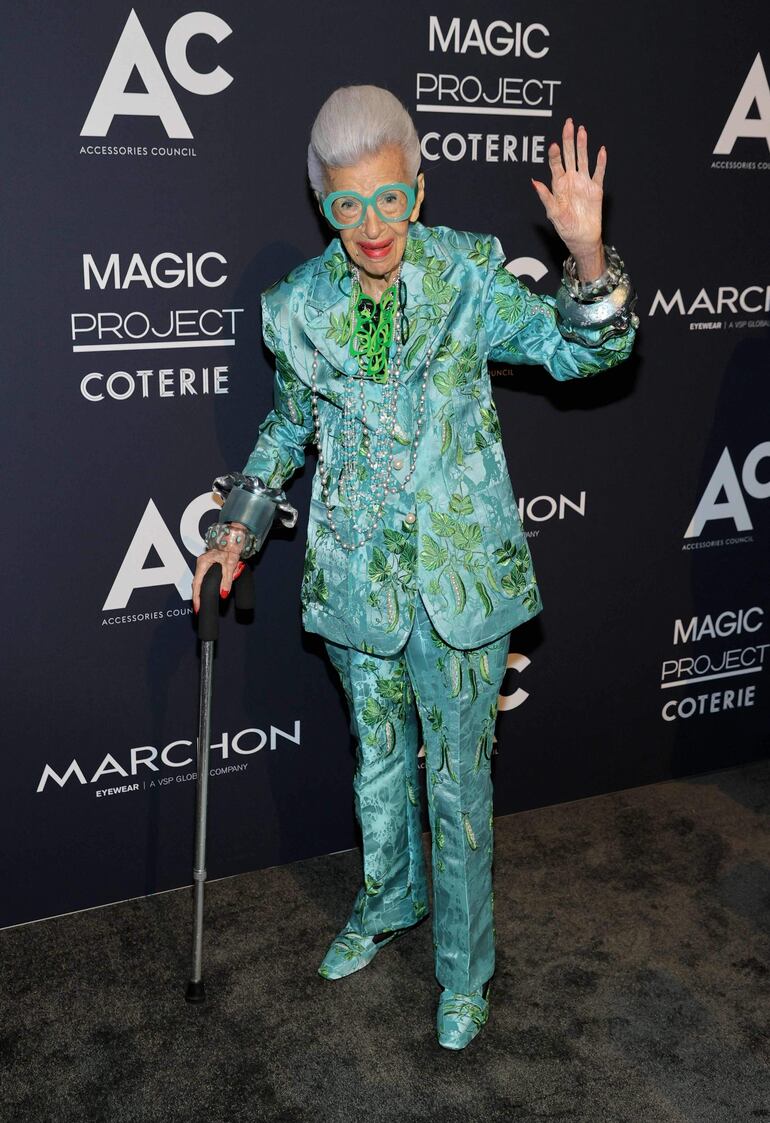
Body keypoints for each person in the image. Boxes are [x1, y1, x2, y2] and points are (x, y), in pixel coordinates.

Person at [192, 85, 638, 1050]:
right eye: (349, 206)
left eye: (388, 200)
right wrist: (236, 528)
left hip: (462, 583)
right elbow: (285, 431)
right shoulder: (297, 309)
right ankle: (388, 899)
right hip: (357, 585)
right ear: (325, 209)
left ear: (419, 191)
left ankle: (464, 970)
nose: (372, 226)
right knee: (380, 769)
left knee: (460, 788)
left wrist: (588, 257)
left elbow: (582, 353)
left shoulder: (472, 276)